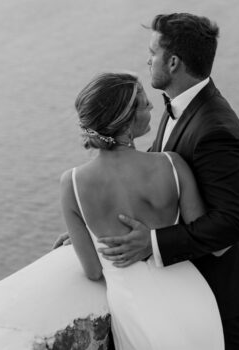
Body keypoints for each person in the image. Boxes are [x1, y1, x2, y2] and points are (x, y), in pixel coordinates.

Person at [97, 13, 239, 350]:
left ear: (174, 62)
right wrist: (97, 222)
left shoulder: (216, 130)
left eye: (153, 52)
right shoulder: (180, 106)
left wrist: (154, 242)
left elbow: (232, 223)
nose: (148, 60)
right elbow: (151, 172)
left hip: (225, 297)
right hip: (191, 292)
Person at [59, 72, 224, 350]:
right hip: (192, 296)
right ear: (125, 118)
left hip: (138, 309)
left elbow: (92, 271)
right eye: (145, 104)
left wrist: (83, 234)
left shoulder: (72, 184)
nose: (151, 109)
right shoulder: (172, 165)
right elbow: (202, 235)